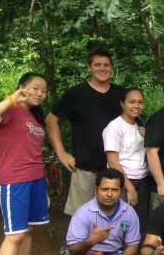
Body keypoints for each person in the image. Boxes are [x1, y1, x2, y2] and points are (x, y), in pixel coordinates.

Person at [0, 73, 51, 255]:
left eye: (43, 90)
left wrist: (44, 187)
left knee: (28, 231)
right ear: (22, 87)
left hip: (35, 180)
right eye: (35, 88)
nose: (39, 93)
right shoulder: (10, 110)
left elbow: (34, 153)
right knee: (14, 235)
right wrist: (12, 98)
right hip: (14, 180)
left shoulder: (34, 117)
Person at [45, 48, 125, 215]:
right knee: (82, 217)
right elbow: (51, 120)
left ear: (111, 68)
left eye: (106, 65)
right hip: (85, 168)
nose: (102, 68)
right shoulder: (76, 94)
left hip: (117, 168)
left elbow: (134, 122)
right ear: (89, 67)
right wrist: (61, 152)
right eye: (97, 65)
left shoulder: (121, 94)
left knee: (118, 217)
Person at [102, 88, 151, 235]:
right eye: (132, 102)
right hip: (123, 181)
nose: (136, 106)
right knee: (122, 222)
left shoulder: (139, 126)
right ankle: (119, 248)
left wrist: (148, 135)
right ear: (122, 104)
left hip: (143, 179)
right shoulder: (114, 127)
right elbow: (113, 162)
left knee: (140, 220)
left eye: (140, 102)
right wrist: (129, 188)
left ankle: (137, 248)